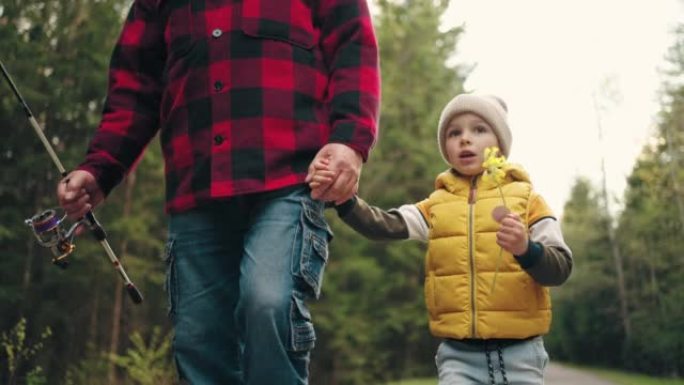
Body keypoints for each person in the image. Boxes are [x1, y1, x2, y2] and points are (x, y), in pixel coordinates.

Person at [56, 0, 380, 383]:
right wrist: (99, 169)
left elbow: (353, 47)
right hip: (196, 189)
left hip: (290, 180)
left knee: (268, 303)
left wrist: (350, 141)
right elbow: (134, 91)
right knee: (199, 339)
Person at [309, 93, 572, 385]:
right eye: (454, 132)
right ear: (445, 147)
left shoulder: (528, 201)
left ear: (500, 142)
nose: (465, 139)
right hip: (459, 357)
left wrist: (526, 249)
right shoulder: (436, 204)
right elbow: (387, 224)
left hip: (521, 354)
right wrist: (346, 202)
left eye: (479, 129)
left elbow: (560, 268)